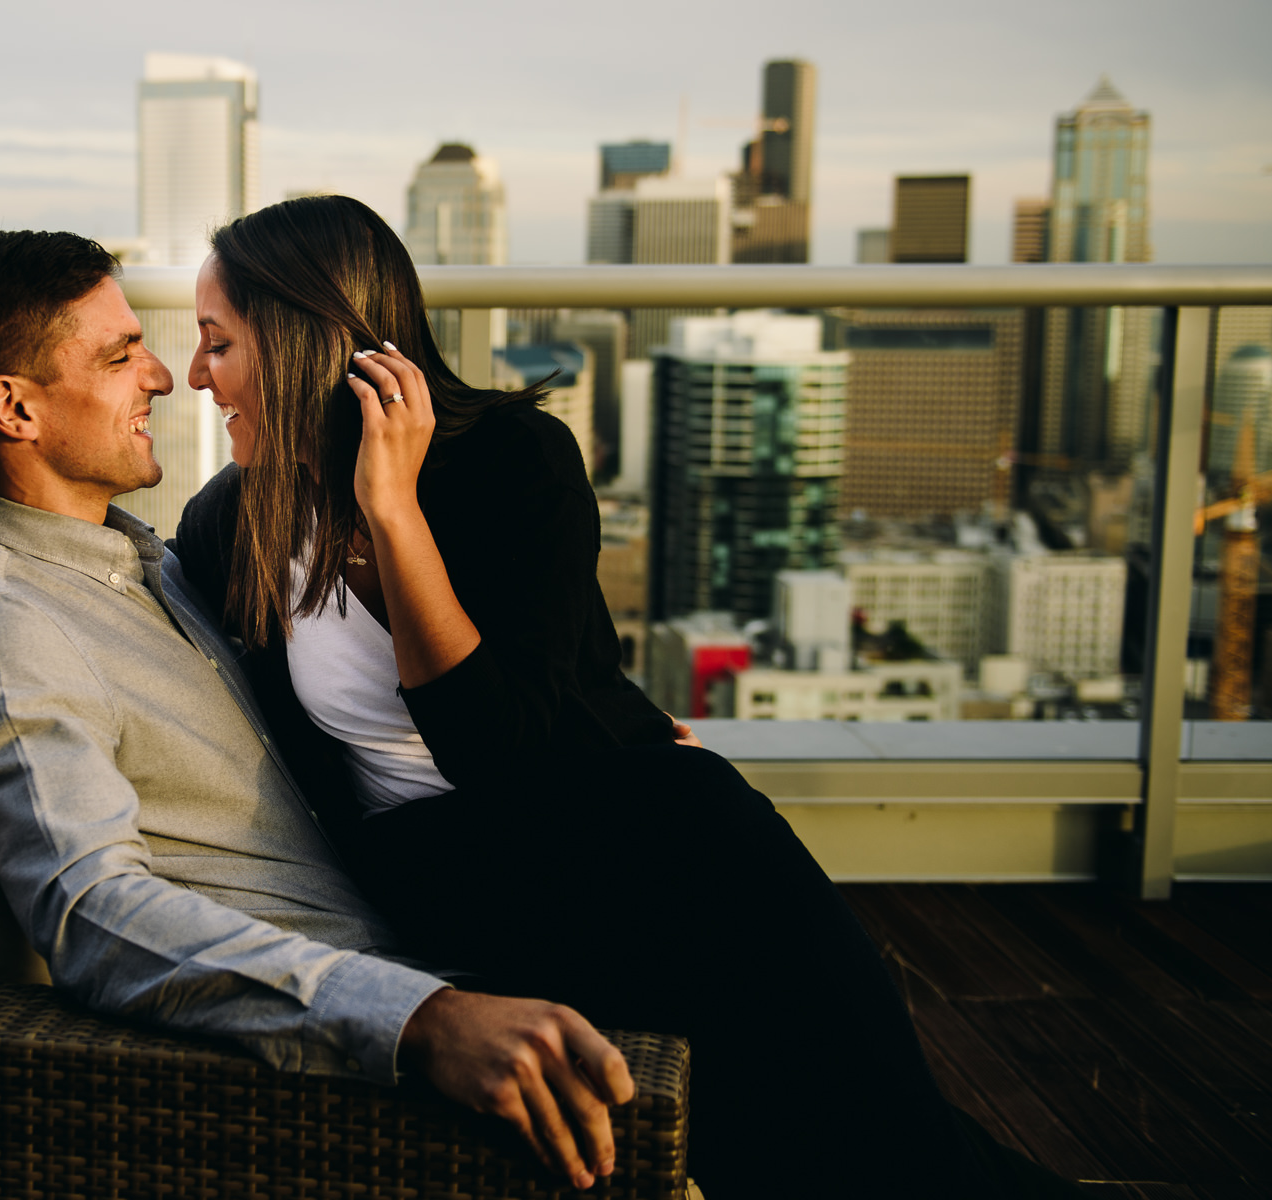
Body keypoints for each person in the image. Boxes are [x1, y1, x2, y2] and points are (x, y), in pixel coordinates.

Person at [173, 195, 1088, 1199]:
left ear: (308, 339)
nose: (196, 375)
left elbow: (506, 747)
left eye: (218, 344)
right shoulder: (232, 525)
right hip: (428, 871)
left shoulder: (514, 464)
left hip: (584, 821)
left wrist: (392, 512)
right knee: (735, 909)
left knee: (816, 1067)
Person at [0, 229, 638, 1193]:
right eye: (121, 355)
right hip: (375, 1045)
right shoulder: (1, 622)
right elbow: (86, 907)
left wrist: (624, 724)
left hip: (474, 920)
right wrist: (419, 1019)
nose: (166, 375)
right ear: (15, 407)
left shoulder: (154, 563)